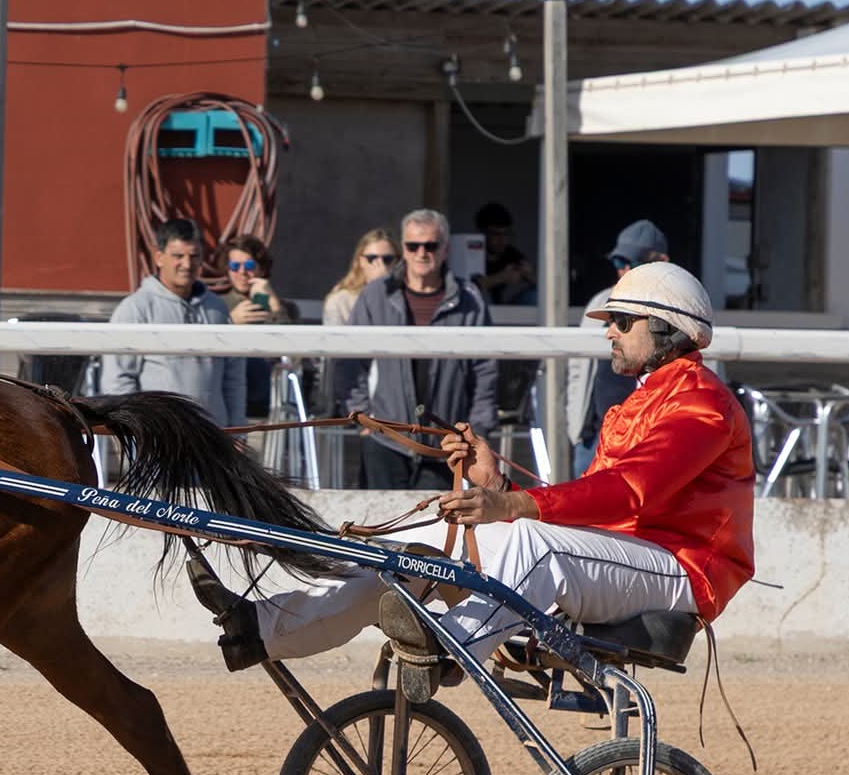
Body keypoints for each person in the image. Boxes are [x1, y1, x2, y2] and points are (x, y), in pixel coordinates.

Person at [191, 262, 754, 704]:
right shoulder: (639, 402)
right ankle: (260, 627)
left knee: (531, 543)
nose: (608, 330)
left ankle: (443, 647)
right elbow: (592, 508)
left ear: (665, 329)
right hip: (624, 557)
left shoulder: (703, 404)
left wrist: (510, 505)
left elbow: (629, 492)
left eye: (621, 322)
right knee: (421, 548)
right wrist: (496, 482)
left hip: (684, 570)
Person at [343, 208, 498, 489]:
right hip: (386, 440)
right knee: (380, 516)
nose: (421, 253)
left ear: (445, 249)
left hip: (446, 444)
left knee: (438, 517)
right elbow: (350, 360)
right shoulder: (376, 295)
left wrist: (477, 429)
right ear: (403, 248)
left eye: (430, 246)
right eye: (413, 246)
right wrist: (362, 415)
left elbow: (485, 370)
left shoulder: (470, 299)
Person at [102, 217, 246, 428]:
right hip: (159, 437)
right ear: (159, 257)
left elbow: (234, 378)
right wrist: (136, 430)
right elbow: (118, 380)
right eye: (178, 256)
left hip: (213, 435)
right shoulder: (135, 309)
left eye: (194, 256)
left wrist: (238, 429)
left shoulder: (218, 309)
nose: (187, 264)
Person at [567, 219, 671, 473]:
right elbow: (578, 367)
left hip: (648, 435)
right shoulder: (600, 302)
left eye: (631, 262)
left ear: (661, 262)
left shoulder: (678, 308)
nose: (623, 270)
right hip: (595, 435)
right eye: (617, 262)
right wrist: (575, 423)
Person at [221, 233, 294, 418]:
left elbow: (293, 353)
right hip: (232, 394)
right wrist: (230, 321)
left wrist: (274, 305)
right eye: (235, 266)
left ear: (262, 268)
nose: (242, 272)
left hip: (272, 400)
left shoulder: (286, 308)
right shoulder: (218, 304)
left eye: (249, 266)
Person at [321, 226, 398, 328]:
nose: (381, 265)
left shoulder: (403, 297)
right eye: (372, 258)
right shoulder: (340, 301)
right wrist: (378, 286)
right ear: (361, 262)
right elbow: (334, 337)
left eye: (387, 259)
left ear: (397, 261)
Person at [472, 201, 536, 306]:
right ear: (482, 233)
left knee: (535, 296)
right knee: (482, 296)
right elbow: (468, 288)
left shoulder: (510, 253)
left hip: (503, 308)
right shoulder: (473, 252)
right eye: (496, 234)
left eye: (506, 234)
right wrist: (502, 277)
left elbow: (543, 288)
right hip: (480, 307)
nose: (502, 240)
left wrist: (530, 276)